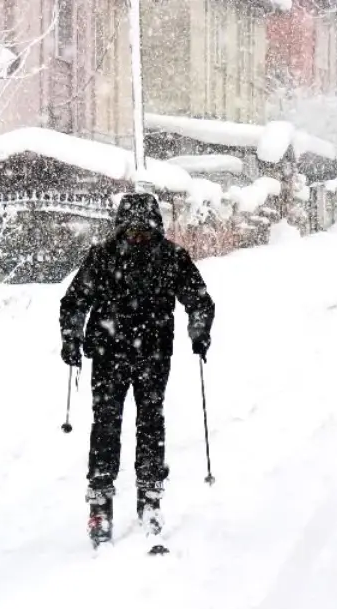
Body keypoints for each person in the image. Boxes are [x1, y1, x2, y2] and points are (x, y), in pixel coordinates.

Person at [59, 192, 215, 548]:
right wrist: (71, 337)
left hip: (153, 355)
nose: (137, 237)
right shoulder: (102, 257)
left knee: (150, 423)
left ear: (156, 227)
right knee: (106, 424)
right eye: (131, 231)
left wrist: (199, 329)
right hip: (108, 354)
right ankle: (100, 503)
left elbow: (199, 299)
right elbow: (74, 300)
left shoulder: (172, 257)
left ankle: (150, 499)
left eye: (144, 231)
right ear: (120, 228)